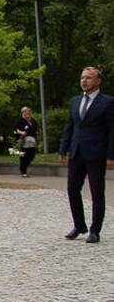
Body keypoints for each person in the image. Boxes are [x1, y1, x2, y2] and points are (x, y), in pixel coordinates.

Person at [60, 66, 114, 244]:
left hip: (96, 153)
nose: (84, 81)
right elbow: (70, 126)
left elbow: (112, 131)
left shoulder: (107, 102)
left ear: (98, 81)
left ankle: (95, 230)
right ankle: (79, 225)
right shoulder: (75, 101)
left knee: (97, 193)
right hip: (76, 152)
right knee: (72, 189)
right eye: (82, 77)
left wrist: (110, 156)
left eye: (89, 78)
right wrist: (63, 149)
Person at [13, 106, 39, 177]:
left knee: (31, 155)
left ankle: (23, 168)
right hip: (23, 140)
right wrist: (21, 132)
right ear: (23, 112)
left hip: (32, 140)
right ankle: (23, 171)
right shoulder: (20, 120)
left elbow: (36, 127)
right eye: (27, 111)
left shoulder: (32, 120)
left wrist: (36, 131)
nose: (29, 113)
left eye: (29, 111)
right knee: (24, 156)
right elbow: (15, 129)